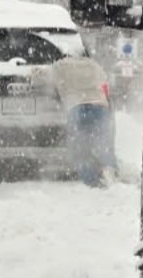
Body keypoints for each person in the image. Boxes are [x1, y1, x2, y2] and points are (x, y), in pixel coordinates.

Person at [48, 54, 118, 188]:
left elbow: (42, 77)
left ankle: (91, 180)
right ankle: (110, 170)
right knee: (104, 143)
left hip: (77, 108)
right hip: (99, 106)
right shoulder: (94, 65)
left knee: (80, 147)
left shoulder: (60, 66)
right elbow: (105, 85)